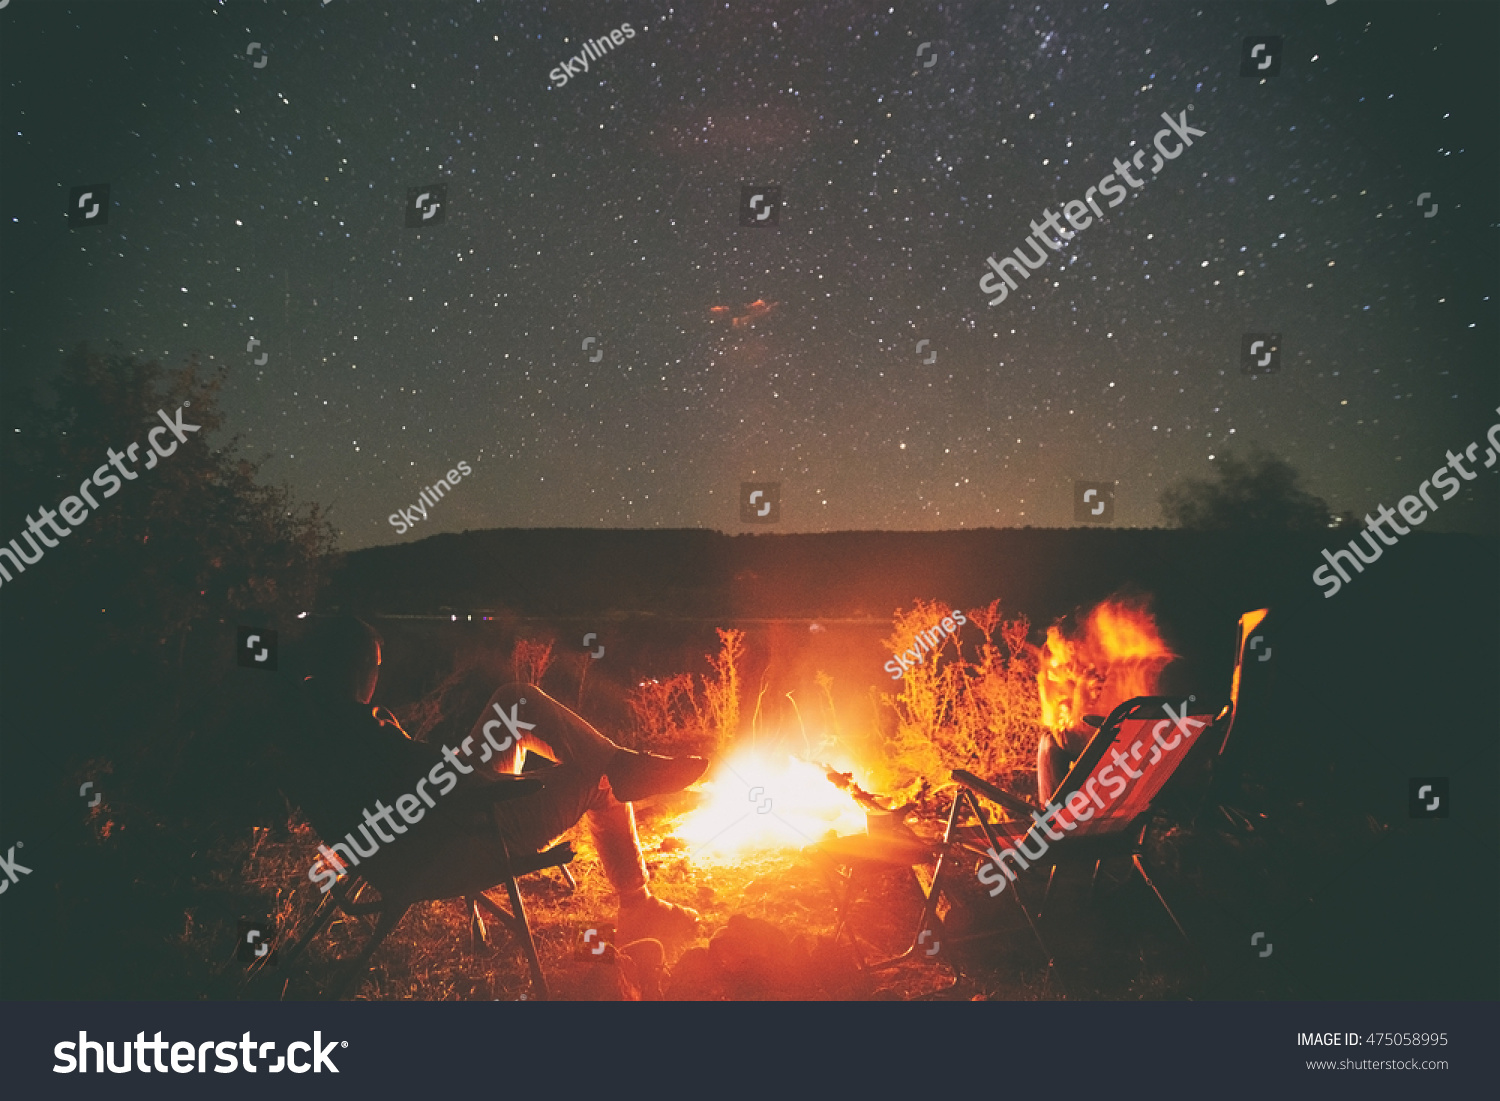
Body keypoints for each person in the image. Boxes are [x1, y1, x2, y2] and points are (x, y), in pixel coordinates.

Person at [284, 616, 707, 945]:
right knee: (599, 779)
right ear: (359, 669)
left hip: (432, 823)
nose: (378, 677)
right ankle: (638, 904)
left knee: (514, 701)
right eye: (376, 666)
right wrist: (516, 784)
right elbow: (424, 781)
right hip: (462, 835)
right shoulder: (358, 729)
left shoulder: (313, 716)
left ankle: (622, 763)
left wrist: (462, 771)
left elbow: (412, 778)